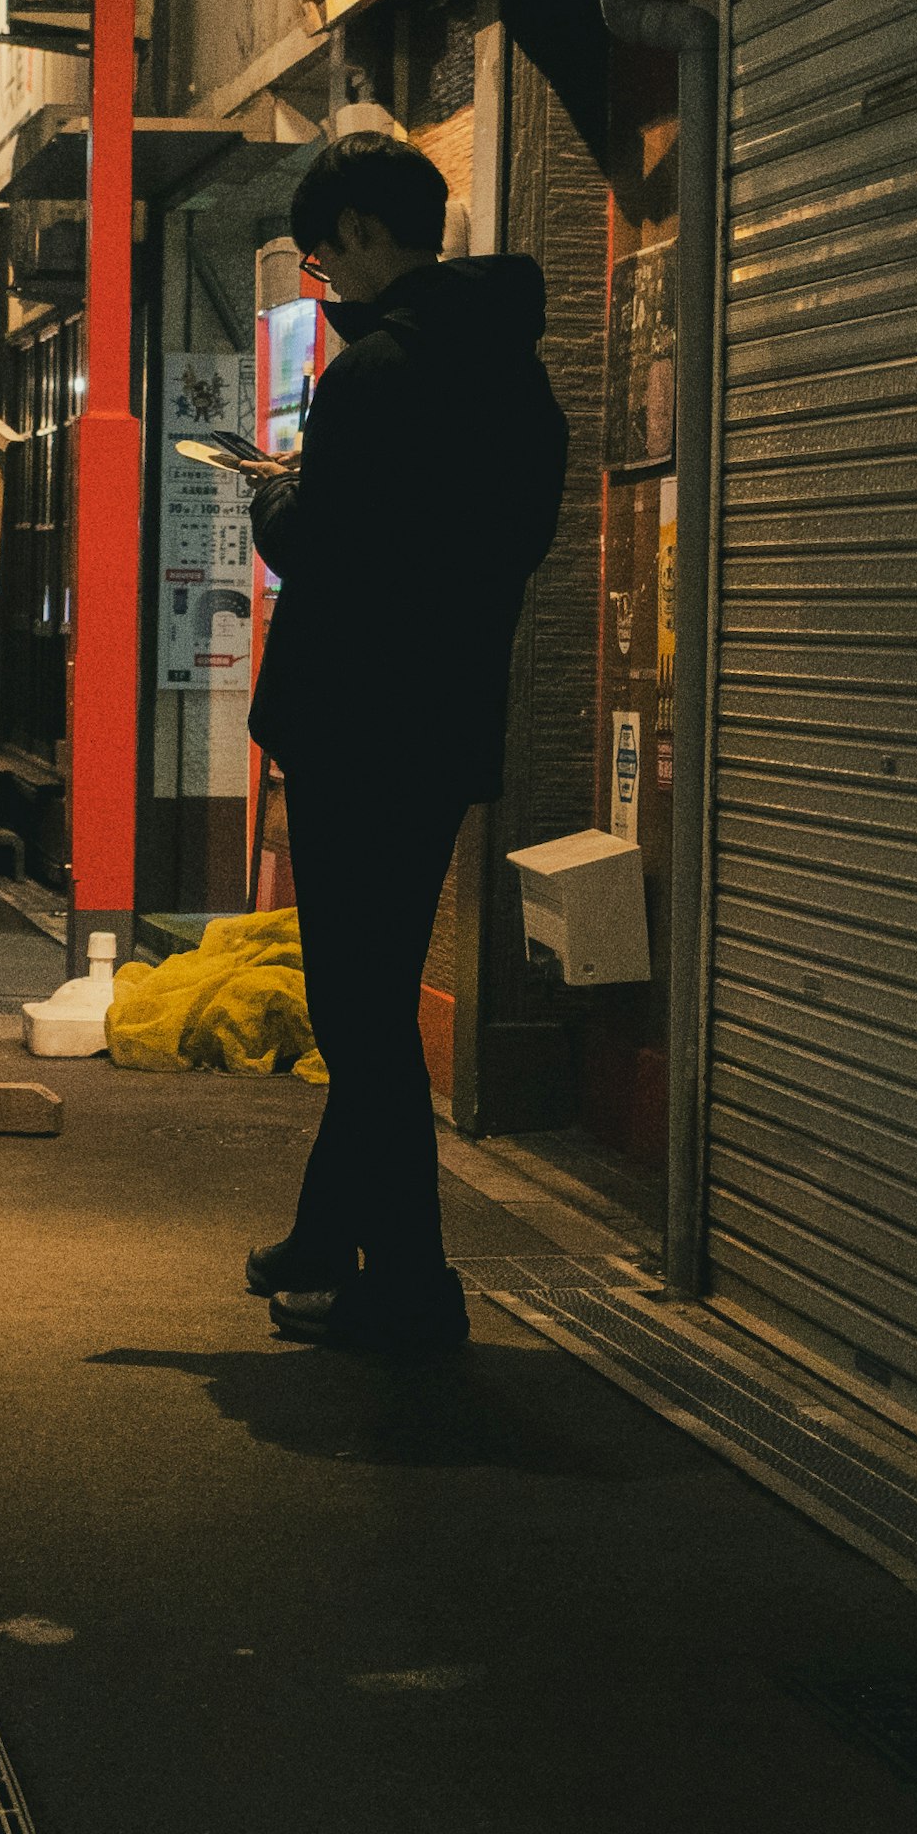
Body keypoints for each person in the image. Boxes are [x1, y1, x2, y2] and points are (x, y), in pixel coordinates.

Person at [238, 131, 566, 1352]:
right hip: (442, 724)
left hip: (352, 729)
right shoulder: (518, 376)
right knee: (370, 994)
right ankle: (329, 1235)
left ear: (372, 236)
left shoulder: (377, 374)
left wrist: (277, 491)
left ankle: (418, 1284)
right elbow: (505, 545)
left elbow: (320, 543)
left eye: (328, 261)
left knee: (359, 1013)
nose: (329, 282)